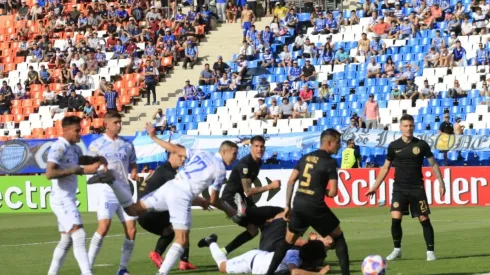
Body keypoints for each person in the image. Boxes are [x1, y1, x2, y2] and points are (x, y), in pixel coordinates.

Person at [87, 123, 239, 275]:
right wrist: (230, 210)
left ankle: (111, 182)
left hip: (170, 187)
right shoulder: (220, 170)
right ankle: (161, 273)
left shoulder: (201, 153)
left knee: (132, 210)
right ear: (224, 151)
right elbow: (214, 199)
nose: (235, 158)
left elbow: (174, 149)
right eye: (234, 154)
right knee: (182, 240)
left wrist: (153, 137)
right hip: (182, 196)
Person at [264, 129, 350, 275]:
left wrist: (287, 206)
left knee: (287, 242)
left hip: (298, 204)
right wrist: (321, 190)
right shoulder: (330, 162)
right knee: (338, 237)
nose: (339, 146)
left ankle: (269, 273)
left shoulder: (305, 158)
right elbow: (333, 192)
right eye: (338, 142)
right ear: (329, 142)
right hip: (315, 206)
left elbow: (291, 181)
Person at [365, 114, 446, 262]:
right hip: (399, 188)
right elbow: (385, 168)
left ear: (413, 126)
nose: (409, 128)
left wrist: (441, 183)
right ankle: (397, 250)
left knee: (424, 218)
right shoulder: (393, 146)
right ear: (400, 127)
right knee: (395, 219)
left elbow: (433, 163)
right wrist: (374, 187)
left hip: (416, 188)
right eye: (406, 126)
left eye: (411, 125)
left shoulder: (421, 145)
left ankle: (430, 252)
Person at [46, 116, 104, 275]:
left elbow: (81, 160)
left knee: (66, 241)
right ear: (65, 130)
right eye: (77, 130)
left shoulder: (75, 148)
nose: (80, 133)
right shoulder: (59, 147)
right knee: (79, 234)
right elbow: (49, 173)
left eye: (81, 130)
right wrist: (73, 170)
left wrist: (96, 159)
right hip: (61, 198)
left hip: (68, 198)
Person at [86, 112, 139, 275]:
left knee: (131, 230)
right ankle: (86, 268)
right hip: (107, 191)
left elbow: (133, 162)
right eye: (116, 122)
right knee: (104, 227)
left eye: (120, 122)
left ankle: (122, 269)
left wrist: (134, 172)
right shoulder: (96, 145)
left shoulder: (127, 144)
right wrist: (100, 168)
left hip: (125, 190)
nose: (119, 125)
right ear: (106, 124)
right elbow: (89, 166)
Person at [220, 136, 282, 255]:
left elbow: (246, 193)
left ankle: (224, 251)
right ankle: (267, 253)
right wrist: (270, 186)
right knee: (262, 223)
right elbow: (248, 191)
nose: (259, 149)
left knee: (256, 228)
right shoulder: (246, 164)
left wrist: (250, 203)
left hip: (241, 199)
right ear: (251, 147)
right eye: (256, 146)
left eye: (262, 146)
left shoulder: (257, 162)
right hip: (232, 200)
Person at [138, 150, 198, 271]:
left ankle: (162, 255)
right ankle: (182, 261)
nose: (183, 159)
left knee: (171, 231)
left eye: (184, 157)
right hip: (150, 212)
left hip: (143, 213)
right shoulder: (168, 173)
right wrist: (203, 201)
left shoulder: (163, 169)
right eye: (180, 156)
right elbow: (184, 191)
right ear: (171, 156)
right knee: (182, 224)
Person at [197, 235, 331, 275]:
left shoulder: (299, 257)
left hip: (260, 256)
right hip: (250, 261)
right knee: (222, 267)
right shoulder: (293, 254)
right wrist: (319, 274)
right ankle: (211, 242)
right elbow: (295, 272)